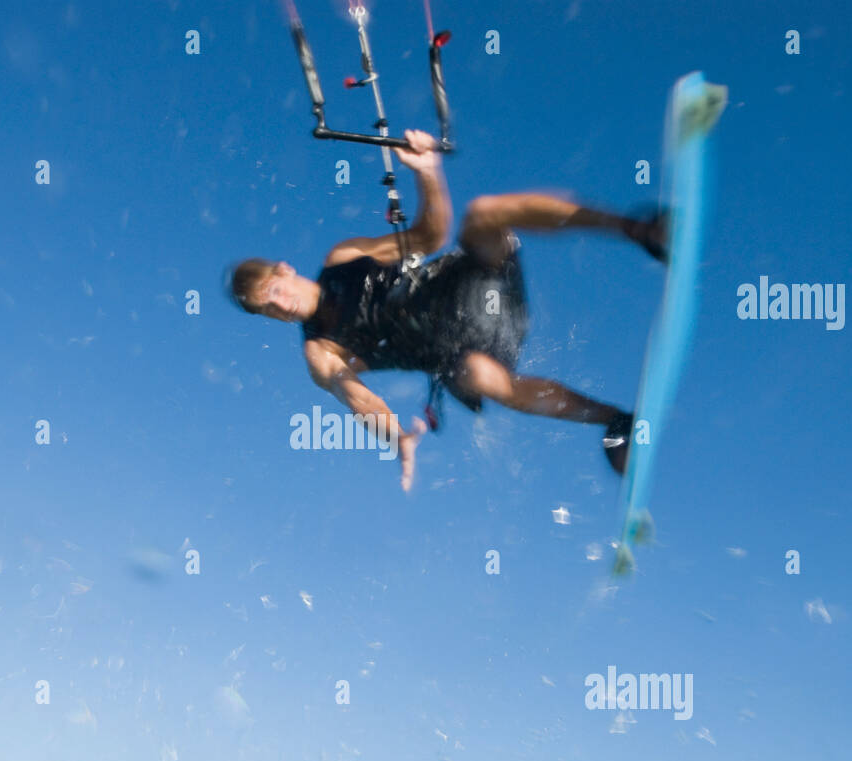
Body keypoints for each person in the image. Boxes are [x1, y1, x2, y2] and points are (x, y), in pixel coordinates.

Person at [229, 129, 665, 491]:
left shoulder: (342, 257)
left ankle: (639, 229)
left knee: (484, 212)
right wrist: (396, 435)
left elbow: (429, 237)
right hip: (465, 350)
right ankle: (617, 421)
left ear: (284, 269)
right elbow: (356, 396)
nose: (279, 304)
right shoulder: (319, 351)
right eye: (267, 308)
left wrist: (428, 173)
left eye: (273, 289)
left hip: (476, 283)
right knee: (477, 376)